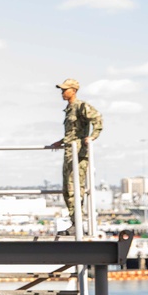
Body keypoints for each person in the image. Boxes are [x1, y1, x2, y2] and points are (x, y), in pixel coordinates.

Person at [48, 78, 102, 235]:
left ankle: (77, 225)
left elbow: (97, 118)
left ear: (74, 90)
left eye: (65, 89)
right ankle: (74, 222)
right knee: (67, 190)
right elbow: (73, 133)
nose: (62, 93)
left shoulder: (81, 106)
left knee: (75, 189)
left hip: (78, 154)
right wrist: (61, 142)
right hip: (69, 153)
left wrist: (93, 136)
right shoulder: (69, 109)